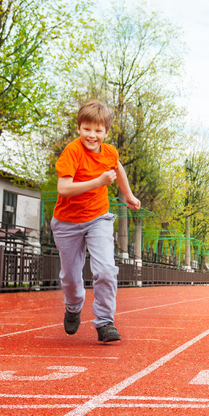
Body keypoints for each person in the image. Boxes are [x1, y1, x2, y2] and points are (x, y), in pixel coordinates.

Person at [52, 99, 141, 343]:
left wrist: (129, 195)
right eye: (87, 129)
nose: (92, 135)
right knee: (70, 277)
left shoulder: (110, 151)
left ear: (106, 132)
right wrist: (99, 182)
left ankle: (104, 321)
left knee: (105, 270)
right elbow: (64, 188)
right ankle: (73, 306)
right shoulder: (73, 151)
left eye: (98, 131)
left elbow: (117, 167)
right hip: (67, 222)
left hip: (98, 218)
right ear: (79, 128)